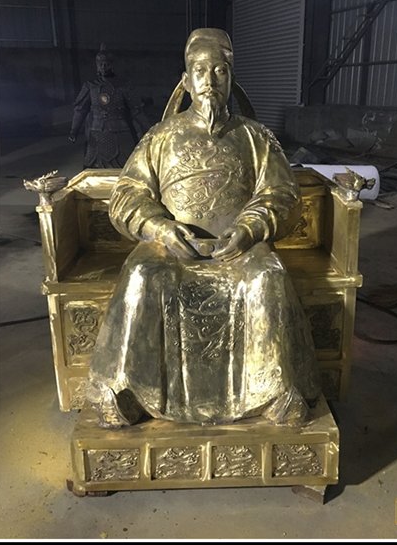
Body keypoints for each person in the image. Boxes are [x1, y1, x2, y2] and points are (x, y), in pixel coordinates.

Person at [86, 28, 321, 428]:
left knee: (268, 276)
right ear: (186, 79)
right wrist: (160, 227)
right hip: (172, 247)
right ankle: (129, 392)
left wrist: (250, 227)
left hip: (240, 247)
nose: (209, 80)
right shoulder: (160, 137)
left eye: (219, 71)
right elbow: (127, 194)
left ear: (231, 78)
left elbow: (282, 193)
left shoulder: (256, 137)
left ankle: (273, 393)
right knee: (141, 274)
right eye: (200, 70)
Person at [69, 44, 152, 168]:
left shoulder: (123, 86)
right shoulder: (90, 87)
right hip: (97, 133)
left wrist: (149, 128)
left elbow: (137, 111)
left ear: (112, 65)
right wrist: (73, 130)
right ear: (97, 66)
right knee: (92, 166)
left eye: (106, 64)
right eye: (101, 64)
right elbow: (80, 110)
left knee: (129, 165)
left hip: (121, 132)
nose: (103, 67)